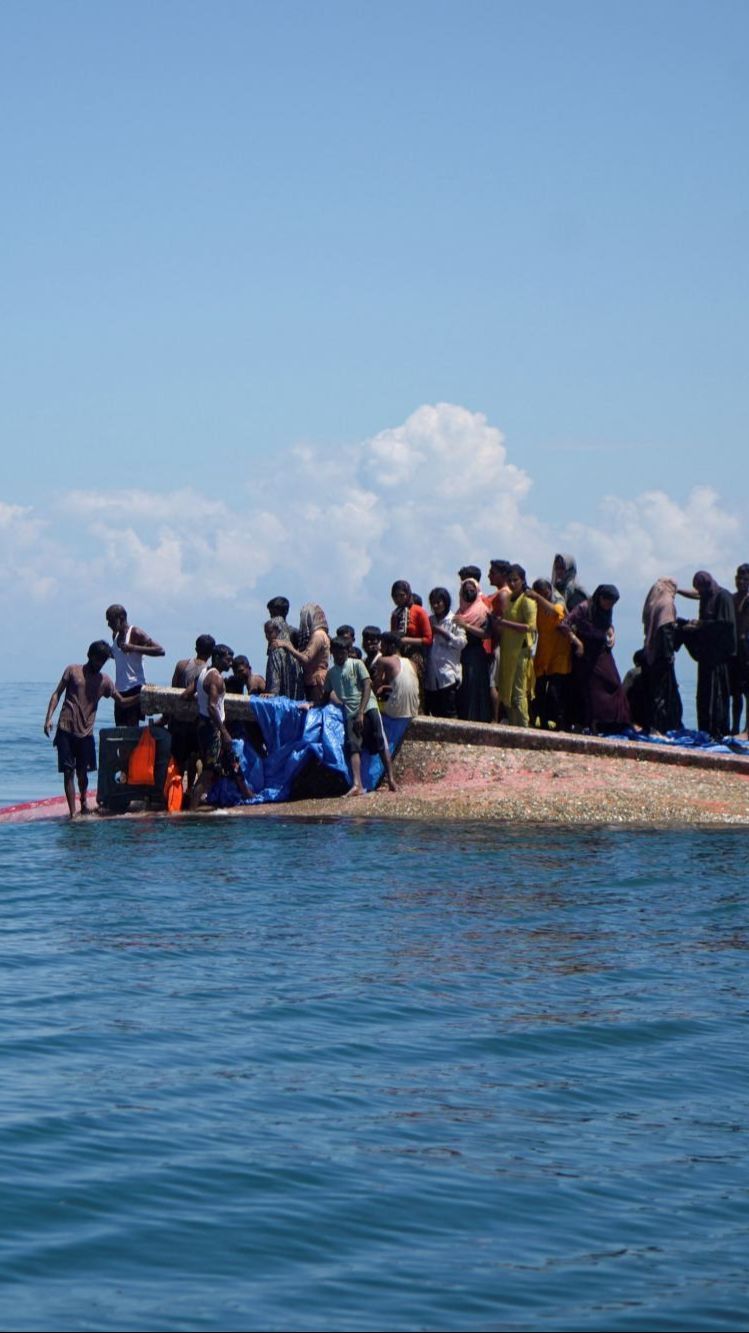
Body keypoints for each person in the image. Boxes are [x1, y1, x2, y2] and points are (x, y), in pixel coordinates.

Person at [44, 641, 125, 819]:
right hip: (66, 728)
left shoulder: (105, 681)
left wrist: (141, 696)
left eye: (103, 661)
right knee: (68, 772)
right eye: (98, 660)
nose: (100, 664)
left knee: (83, 774)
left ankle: (83, 802)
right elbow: (57, 693)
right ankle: (73, 812)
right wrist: (49, 718)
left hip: (86, 733)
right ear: (89, 656)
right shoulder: (72, 671)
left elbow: (121, 701)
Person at [323, 637, 397, 796]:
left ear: (347, 652)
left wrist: (361, 713)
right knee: (354, 746)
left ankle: (391, 779)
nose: (340, 656)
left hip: (368, 707)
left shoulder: (357, 664)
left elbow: (367, 686)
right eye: (336, 653)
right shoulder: (331, 673)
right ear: (332, 653)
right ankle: (357, 784)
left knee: (380, 741)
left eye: (343, 652)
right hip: (351, 712)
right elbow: (325, 694)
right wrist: (311, 705)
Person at [182, 644, 251, 809]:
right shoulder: (216, 678)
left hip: (203, 726)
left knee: (233, 762)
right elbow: (212, 707)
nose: (230, 663)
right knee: (208, 771)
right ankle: (191, 810)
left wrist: (201, 700)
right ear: (218, 658)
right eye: (228, 659)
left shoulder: (203, 673)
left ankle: (247, 795)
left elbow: (185, 695)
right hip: (213, 730)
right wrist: (224, 732)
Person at [677, 571, 737, 739]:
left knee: (717, 696)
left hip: (719, 657)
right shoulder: (706, 596)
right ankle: (705, 729)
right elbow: (694, 595)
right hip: (707, 655)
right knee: (704, 696)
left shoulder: (722, 597)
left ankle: (718, 731)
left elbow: (725, 624)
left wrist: (701, 625)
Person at [564, 585, 631, 733]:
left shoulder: (606, 610)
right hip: (585, 649)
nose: (609, 605)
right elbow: (565, 625)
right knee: (589, 688)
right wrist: (577, 642)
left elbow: (607, 625)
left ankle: (613, 722)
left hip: (600, 649)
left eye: (612, 603)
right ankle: (588, 723)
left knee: (613, 682)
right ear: (600, 598)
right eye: (607, 601)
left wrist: (613, 635)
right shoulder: (584, 607)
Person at [527, 578, 577, 730]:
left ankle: (561, 725)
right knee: (540, 691)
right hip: (543, 652)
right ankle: (541, 723)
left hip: (559, 654)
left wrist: (538, 598)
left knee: (556, 692)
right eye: (539, 594)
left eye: (545, 592)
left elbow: (557, 611)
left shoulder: (557, 601)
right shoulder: (537, 607)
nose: (543, 596)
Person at [105, 604, 165, 726]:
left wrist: (134, 648)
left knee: (132, 730)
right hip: (120, 690)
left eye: (111, 620)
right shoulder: (115, 636)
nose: (108, 624)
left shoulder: (135, 632)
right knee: (120, 730)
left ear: (120, 618)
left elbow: (160, 650)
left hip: (135, 688)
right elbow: (118, 656)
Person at [494, 565, 537, 727]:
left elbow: (530, 627)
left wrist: (505, 623)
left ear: (523, 580)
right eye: (509, 580)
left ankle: (524, 728)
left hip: (520, 653)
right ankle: (514, 728)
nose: (512, 583)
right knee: (507, 694)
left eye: (515, 580)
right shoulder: (510, 599)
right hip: (508, 652)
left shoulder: (527, 600)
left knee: (519, 694)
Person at [641, 577, 684, 733]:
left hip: (651, 653)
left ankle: (653, 725)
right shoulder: (667, 604)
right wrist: (669, 656)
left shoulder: (655, 601)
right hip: (661, 657)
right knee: (661, 694)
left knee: (655, 691)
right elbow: (665, 631)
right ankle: (658, 727)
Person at [169, 633, 216, 774]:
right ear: (212, 652)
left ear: (196, 648)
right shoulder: (210, 672)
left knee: (178, 758)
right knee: (194, 756)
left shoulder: (182, 665)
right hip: (197, 720)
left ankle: (176, 788)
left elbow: (173, 691)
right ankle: (189, 788)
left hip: (178, 718)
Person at [275, 602, 331, 704]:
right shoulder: (318, 635)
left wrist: (288, 646)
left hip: (316, 681)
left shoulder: (318, 635)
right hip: (310, 680)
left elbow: (306, 658)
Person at [453, 578, 492, 722]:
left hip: (475, 653)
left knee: (475, 688)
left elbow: (487, 634)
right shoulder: (460, 611)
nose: (469, 593)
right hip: (462, 654)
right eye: (466, 590)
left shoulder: (482, 610)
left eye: (472, 590)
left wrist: (466, 626)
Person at [424, 587, 466, 717]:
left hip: (448, 675)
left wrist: (443, 633)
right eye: (433, 603)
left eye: (439, 602)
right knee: (435, 713)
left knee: (449, 712)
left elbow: (462, 643)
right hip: (432, 677)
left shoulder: (454, 620)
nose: (436, 606)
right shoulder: (429, 620)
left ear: (445, 602)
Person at [484, 559, 512, 721]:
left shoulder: (503, 594)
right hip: (499, 643)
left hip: (500, 644)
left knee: (494, 684)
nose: (489, 575)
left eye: (493, 573)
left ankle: (497, 719)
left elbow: (503, 623)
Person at [374, 633, 421, 718]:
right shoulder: (412, 663)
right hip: (414, 710)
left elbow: (376, 686)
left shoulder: (382, 660)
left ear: (391, 646)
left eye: (383, 645)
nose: (380, 649)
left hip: (395, 710)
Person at [264, 618, 305, 700]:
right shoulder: (293, 651)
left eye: (270, 632)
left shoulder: (276, 652)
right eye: (266, 633)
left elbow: (274, 682)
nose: (267, 637)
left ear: (279, 631)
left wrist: (271, 695)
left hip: (280, 703)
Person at [730, 564, 749, 734]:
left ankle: (747, 728)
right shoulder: (731, 598)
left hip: (746, 651)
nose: (741, 582)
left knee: (747, 692)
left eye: (745, 579)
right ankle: (735, 727)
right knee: (736, 692)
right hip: (735, 652)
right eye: (739, 578)